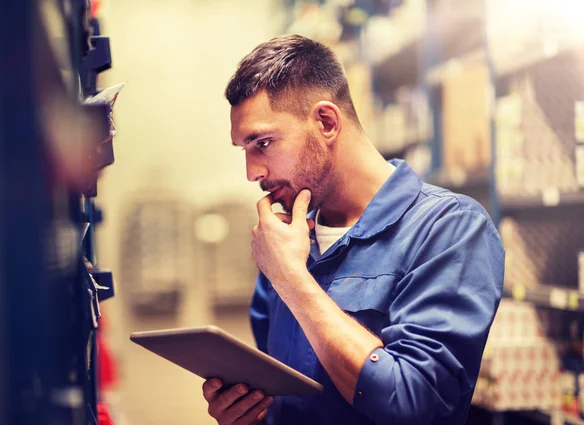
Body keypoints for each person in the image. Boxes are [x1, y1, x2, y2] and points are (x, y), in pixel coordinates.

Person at [201, 34, 505, 425]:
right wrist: (247, 415)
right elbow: (284, 403)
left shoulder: (449, 230)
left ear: (326, 122)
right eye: (243, 148)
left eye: (263, 143)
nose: (252, 172)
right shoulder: (286, 239)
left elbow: (415, 404)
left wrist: (293, 279)